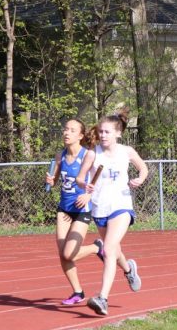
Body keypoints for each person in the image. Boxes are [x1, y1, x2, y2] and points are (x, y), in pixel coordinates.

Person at [74, 109, 147, 315]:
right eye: (101, 132)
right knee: (113, 250)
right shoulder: (92, 153)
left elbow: (143, 168)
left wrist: (139, 179)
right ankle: (129, 269)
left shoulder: (127, 151)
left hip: (121, 206)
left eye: (107, 132)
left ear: (118, 133)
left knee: (108, 248)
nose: (103, 135)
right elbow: (80, 178)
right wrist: (84, 186)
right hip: (100, 207)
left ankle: (102, 298)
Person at [45, 118, 105, 306]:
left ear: (80, 136)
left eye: (72, 130)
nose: (66, 133)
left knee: (69, 253)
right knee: (62, 254)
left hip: (81, 210)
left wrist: (88, 196)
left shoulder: (87, 155)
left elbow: (98, 180)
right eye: (65, 129)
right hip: (64, 209)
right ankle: (77, 292)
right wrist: (50, 181)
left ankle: (97, 247)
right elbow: (55, 181)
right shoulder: (59, 156)